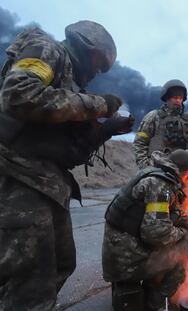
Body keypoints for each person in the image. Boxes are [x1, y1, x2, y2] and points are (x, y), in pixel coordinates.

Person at [0, 21, 133, 310]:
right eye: (99, 62)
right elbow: (19, 94)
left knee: (62, 263)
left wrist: (106, 130)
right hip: (17, 178)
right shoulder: (48, 50)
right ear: (86, 45)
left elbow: (71, 153)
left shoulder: (71, 90)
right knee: (30, 284)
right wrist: (99, 104)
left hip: (47, 184)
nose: (98, 71)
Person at [102, 149, 188, 311]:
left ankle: (150, 287)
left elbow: (178, 214)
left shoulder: (155, 174)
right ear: (187, 174)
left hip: (120, 254)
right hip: (128, 262)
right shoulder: (161, 185)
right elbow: (156, 234)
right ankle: (156, 300)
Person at [133, 79, 188, 213]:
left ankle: (178, 232)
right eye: (175, 97)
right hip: (156, 170)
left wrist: (187, 157)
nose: (178, 101)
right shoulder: (153, 117)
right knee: (154, 210)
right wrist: (145, 166)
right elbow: (140, 142)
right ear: (167, 98)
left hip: (180, 174)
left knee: (180, 211)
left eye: (180, 98)